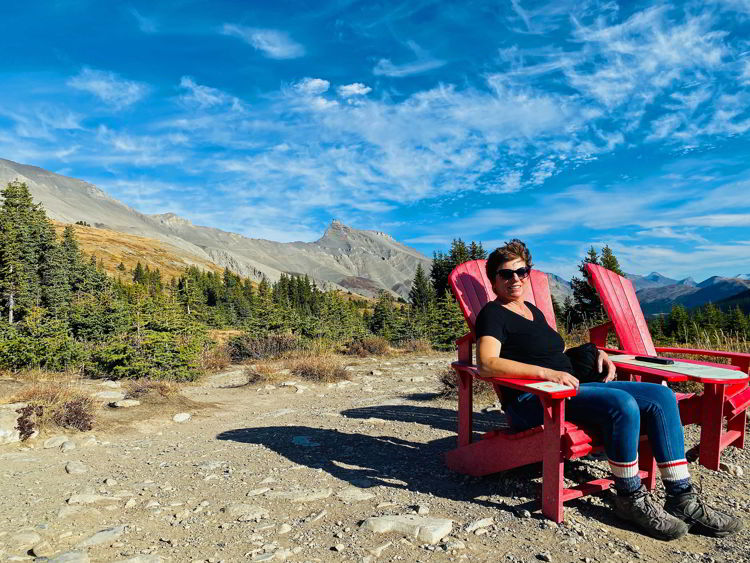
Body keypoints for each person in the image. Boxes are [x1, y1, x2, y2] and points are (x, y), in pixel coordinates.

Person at [475, 239, 742, 541]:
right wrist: (546, 373)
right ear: (493, 280)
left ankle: (682, 497)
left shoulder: (532, 311)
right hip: (535, 398)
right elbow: (486, 363)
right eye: (505, 274)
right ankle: (628, 498)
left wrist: (596, 353)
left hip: (568, 385)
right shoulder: (492, 314)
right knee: (622, 403)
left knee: (662, 397)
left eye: (521, 272)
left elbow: (551, 351)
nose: (515, 279)